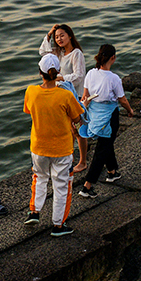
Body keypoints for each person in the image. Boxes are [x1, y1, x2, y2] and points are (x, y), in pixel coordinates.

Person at [24, 53, 85, 236]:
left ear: (40, 73)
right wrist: (83, 104)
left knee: (40, 177)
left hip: (39, 147)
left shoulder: (31, 91)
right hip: (62, 149)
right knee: (61, 185)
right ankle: (58, 225)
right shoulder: (65, 95)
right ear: (58, 72)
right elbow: (77, 118)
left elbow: (29, 110)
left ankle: (34, 211)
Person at [77, 44, 135, 198]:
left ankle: (112, 172)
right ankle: (87, 186)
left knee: (106, 143)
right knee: (102, 149)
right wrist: (130, 111)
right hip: (109, 117)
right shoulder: (113, 78)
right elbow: (122, 100)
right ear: (113, 58)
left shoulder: (90, 73)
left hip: (95, 114)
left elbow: (85, 96)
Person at [38, 24, 88, 172]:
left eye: (62, 35)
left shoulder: (76, 53)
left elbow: (79, 76)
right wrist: (49, 33)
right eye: (57, 37)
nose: (59, 39)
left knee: (78, 131)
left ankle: (83, 161)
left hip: (75, 95)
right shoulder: (57, 53)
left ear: (70, 36)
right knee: (68, 129)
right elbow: (43, 52)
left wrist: (61, 78)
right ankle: (70, 158)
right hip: (62, 95)